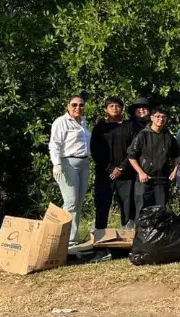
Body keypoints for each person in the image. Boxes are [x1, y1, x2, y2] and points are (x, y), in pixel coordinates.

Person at [49, 95, 91, 247]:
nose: (77, 108)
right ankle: (64, 239)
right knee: (70, 202)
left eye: (81, 105)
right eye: (74, 105)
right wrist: (56, 164)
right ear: (68, 106)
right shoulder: (61, 122)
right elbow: (55, 144)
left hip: (84, 163)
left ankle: (73, 237)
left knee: (78, 203)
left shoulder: (83, 122)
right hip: (68, 163)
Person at [91, 97, 134, 230]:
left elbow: (134, 149)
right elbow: (95, 150)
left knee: (127, 207)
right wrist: (110, 168)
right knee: (102, 206)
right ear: (106, 109)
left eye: (118, 106)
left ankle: (127, 242)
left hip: (125, 174)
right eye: (111, 106)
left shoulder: (129, 126)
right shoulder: (99, 128)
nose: (115, 108)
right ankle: (100, 242)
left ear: (122, 109)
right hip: (105, 173)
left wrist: (121, 168)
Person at [127, 108, 180, 212]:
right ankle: (140, 228)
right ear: (151, 118)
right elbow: (131, 155)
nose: (161, 119)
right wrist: (140, 172)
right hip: (145, 179)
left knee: (161, 210)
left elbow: (177, 155)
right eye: (158, 116)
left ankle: (159, 229)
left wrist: (175, 171)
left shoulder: (168, 136)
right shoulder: (142, 135)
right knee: (142, 209)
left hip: (162, 179)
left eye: (163, 117)